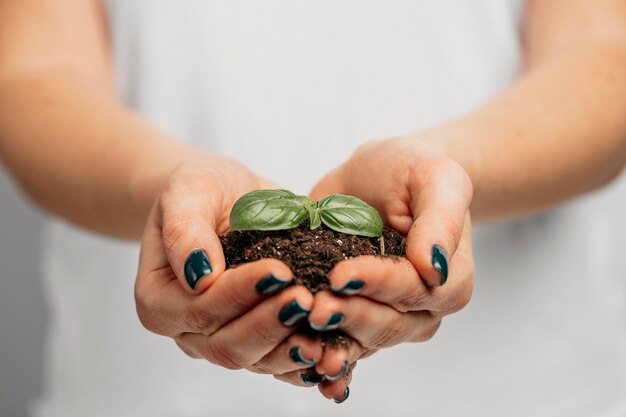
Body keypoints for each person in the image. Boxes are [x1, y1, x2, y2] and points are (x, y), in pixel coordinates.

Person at [0, 0, 625, 416]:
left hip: (529, 384)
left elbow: (605, 54)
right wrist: (167, 191)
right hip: (149, 394)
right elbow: (32, 76)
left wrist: (447, 171)